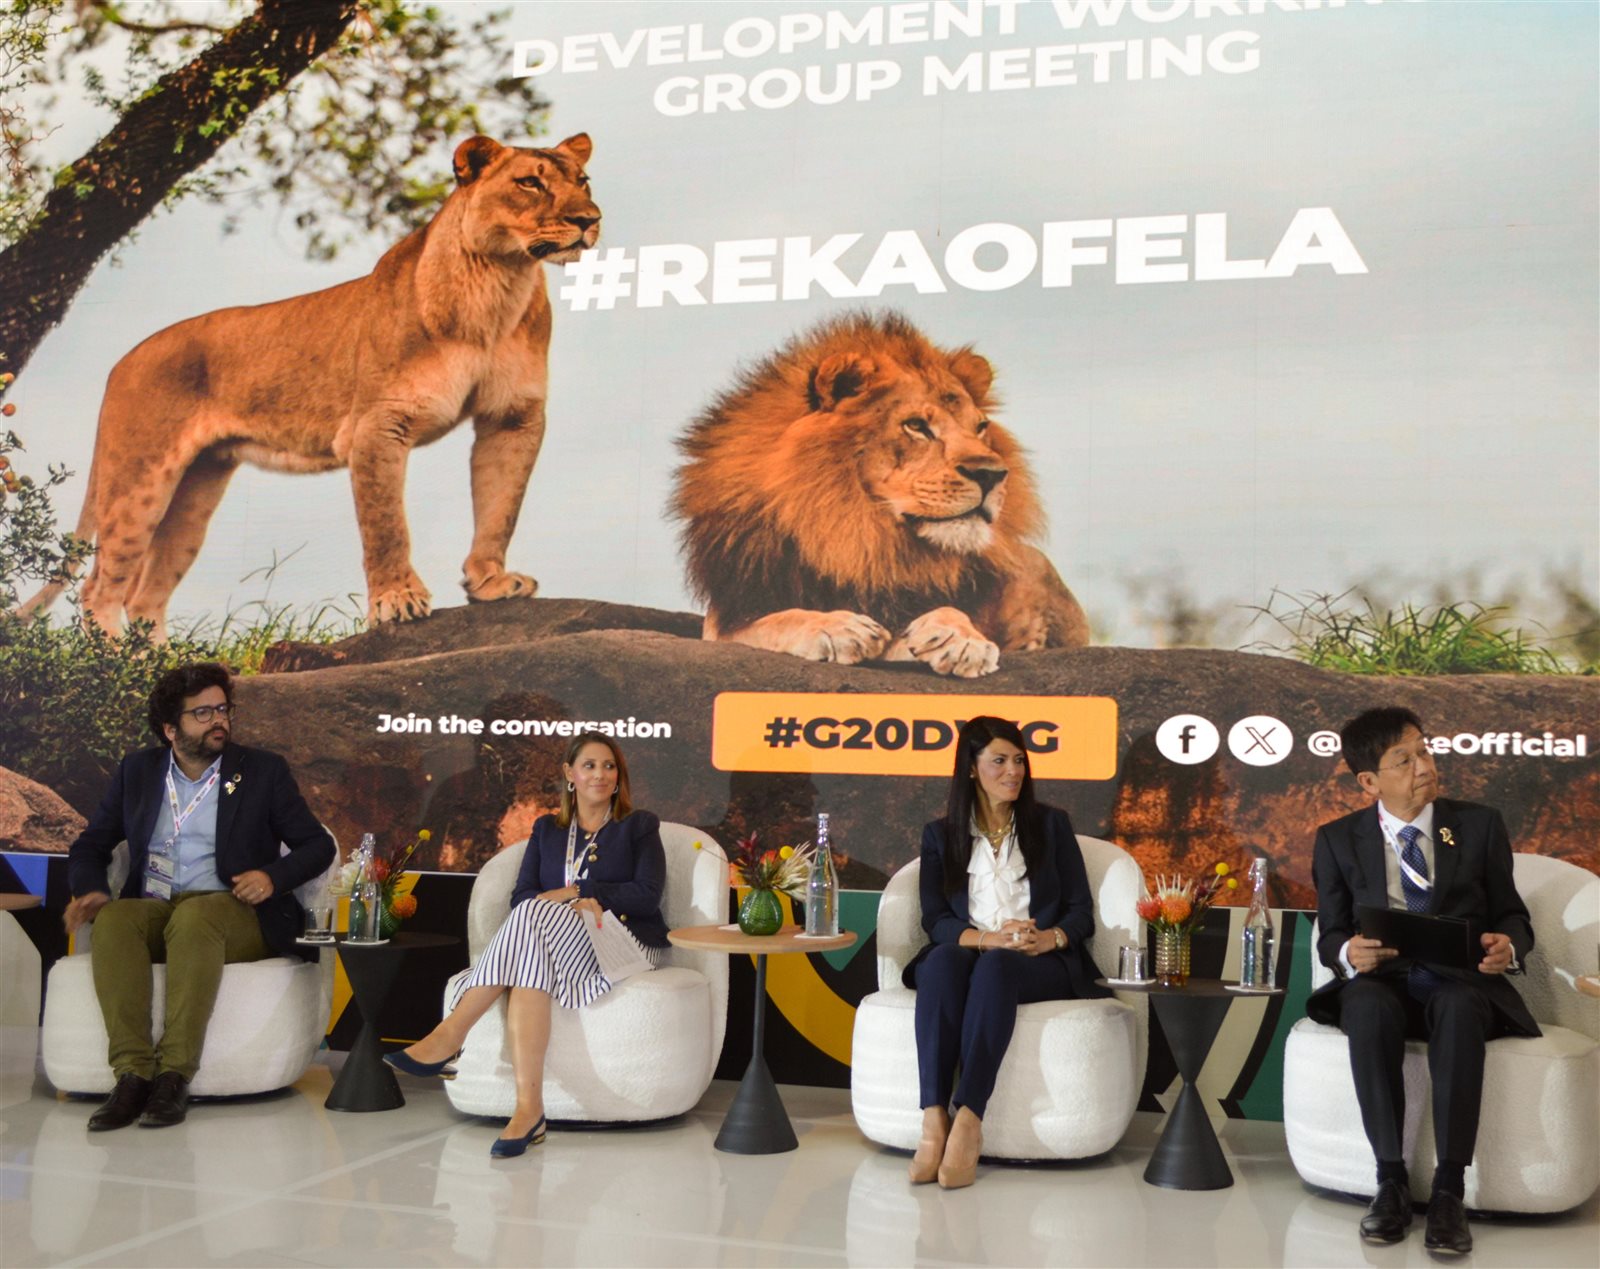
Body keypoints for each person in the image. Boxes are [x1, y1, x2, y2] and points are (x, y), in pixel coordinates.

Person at [64, 662, 335, 1130]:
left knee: (198, 916)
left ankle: (173, 1076)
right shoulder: (138, 771)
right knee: (116, 919)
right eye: (203, 713)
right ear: (171, 729)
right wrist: (91, 891)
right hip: (157, 904)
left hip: (235, 912)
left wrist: (272, 877)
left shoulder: (261, 770)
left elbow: (317, 845)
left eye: (223, 710)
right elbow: (91, 845)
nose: (218, 721)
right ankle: (131, 1075)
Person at [1308, 707, 1538, 1255]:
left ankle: (1448, 1191)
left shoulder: (1479, 824)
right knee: (1366, 1006)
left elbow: (1512, 915)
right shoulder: (1338, 839)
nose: (1424, 766)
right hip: (1383, 980)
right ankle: (1389, 1181)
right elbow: (1330, 931)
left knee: (1458, 1007)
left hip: (1460, 982)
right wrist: (1346, 951)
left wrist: (1508, 947)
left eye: (1424, 751)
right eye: (1404, 760)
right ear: (1369, 782)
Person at [386, 731, 668, 1157]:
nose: (600, 774)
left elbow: (646, 895)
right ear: (569, 774)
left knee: (536, 916)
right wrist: (562, 905)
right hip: (555, 940)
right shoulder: (547, 830)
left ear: (619, 775)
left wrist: (580, 891)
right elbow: (521, 899)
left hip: (620, 941)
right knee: (529, 957)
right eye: (589, 765)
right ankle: (528, 1110)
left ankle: (451, 1034)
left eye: (609, 766)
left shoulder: (639, 826)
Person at [903, 715, 1110, 1189]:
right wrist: (988, 938)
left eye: (1019, 760)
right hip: (976, 950)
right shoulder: (940, 835)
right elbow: (936, 920)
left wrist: (1050, 938)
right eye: (999, 761)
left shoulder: (1051, 825)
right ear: (971, 767)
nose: (1013, 771)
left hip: (1038, 962)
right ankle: (933, 1117)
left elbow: (1080, 912)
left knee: (997, 966)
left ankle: (969, 1119)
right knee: (942, 960)